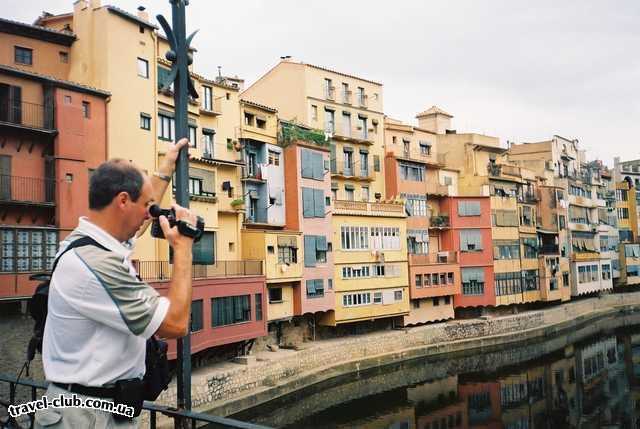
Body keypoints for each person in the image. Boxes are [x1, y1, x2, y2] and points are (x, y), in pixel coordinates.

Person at [34, 138, 195, 428]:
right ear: (122, 201)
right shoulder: (97, 264)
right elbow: (176, 324)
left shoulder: (86, 244)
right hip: (85, 416)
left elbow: (140, 222)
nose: (150, 214)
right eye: (147, 206)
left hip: (95, 408)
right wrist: (183, 248)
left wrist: (166, 167)